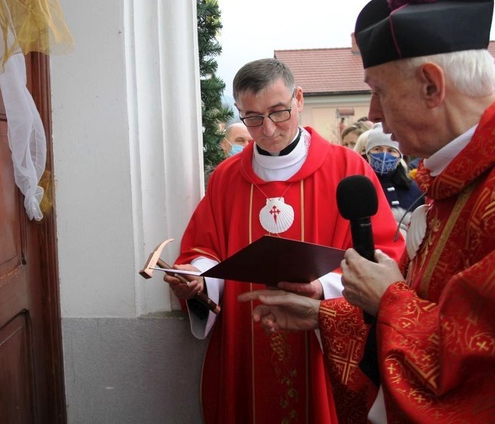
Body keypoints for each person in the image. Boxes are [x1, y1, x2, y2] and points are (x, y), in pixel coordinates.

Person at [240, 0, 495, 422]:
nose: (373, 115)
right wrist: (325, 317)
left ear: (432, 86)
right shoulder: (458, 177)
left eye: (378, 92)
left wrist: (390, 297)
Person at [164, 58, 404, 423]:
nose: (269, 128)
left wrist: (322, 288)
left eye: (278, 112)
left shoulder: (347, 169)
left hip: (320, 342)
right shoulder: (227, 177)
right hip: (245, 338)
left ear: (299, 99)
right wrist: (200, 280)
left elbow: (383, 255)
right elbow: (205, 246)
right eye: (253, 118)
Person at [364, 123, 424, 236]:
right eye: (377, 149)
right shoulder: (359, 187)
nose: (384, 155)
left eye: (391, 150)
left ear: (400, 156)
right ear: (368, 153)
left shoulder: (414, 190)